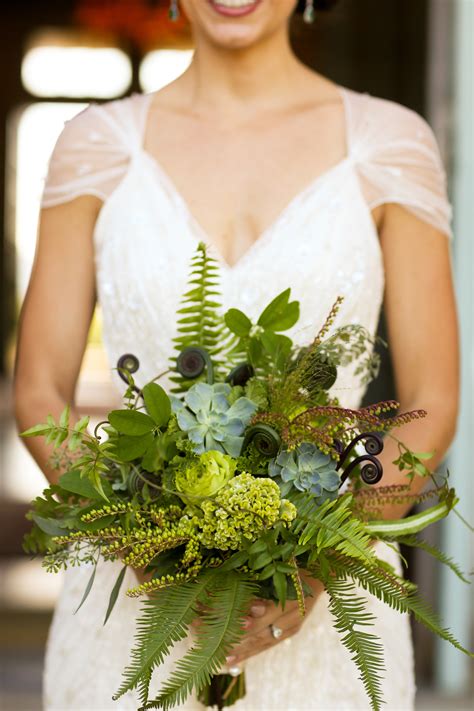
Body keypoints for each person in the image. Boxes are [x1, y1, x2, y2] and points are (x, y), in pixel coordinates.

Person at [13, 0, 459, 708]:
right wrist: (153, 544)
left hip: (332, 628)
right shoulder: (96, 145)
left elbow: (432, 401)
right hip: (134, 622)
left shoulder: (387, 144)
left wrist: (318, 560)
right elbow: (38, 392)